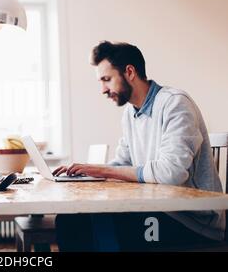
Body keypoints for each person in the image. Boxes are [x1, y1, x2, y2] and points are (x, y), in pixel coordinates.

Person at [53, 41, 225, 251]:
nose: (103, 90)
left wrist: (101, 170)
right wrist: (85, 174)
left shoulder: (175, 104)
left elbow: (171, 173)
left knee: (111, 226)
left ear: (130, 72)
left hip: (191, 221)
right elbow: (122, 163)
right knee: (69, 221)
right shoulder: (131, 113)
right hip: (158, 210)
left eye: (107, 79)